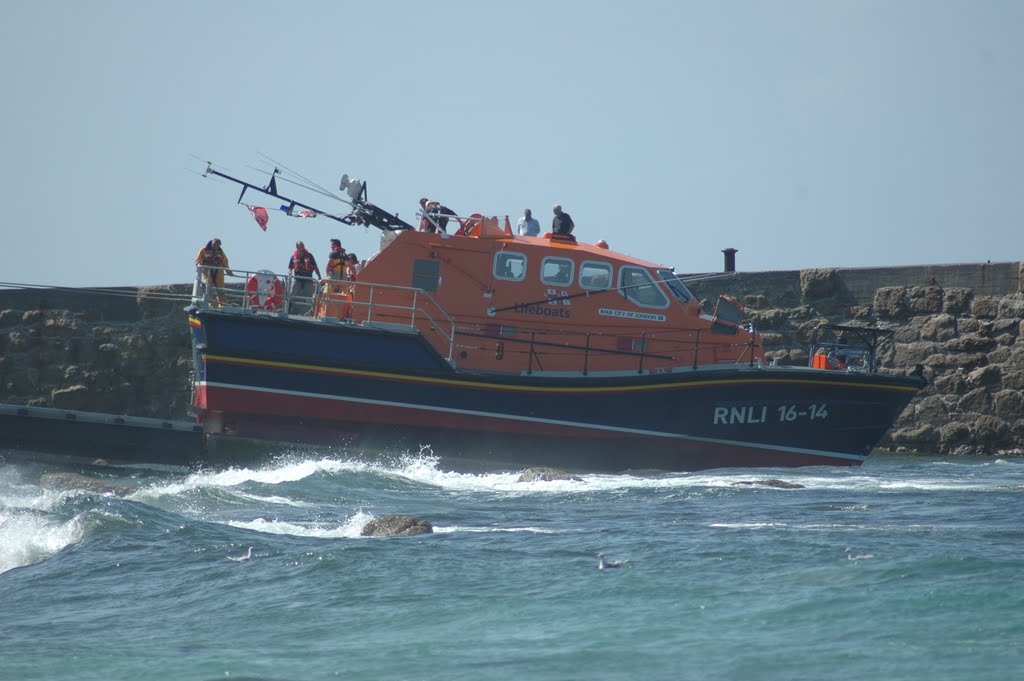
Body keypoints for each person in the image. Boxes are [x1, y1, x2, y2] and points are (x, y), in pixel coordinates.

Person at [194, 238, 232, 305]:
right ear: (212, 244)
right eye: (215, 245)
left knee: (220, 290)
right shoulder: (204, 250)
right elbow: (198, 260)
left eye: (218, 245)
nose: (216, 247)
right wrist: (199, 265)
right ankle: (212, 305)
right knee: (210, 289)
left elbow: (225, 261)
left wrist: (228, 270)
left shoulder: (220, 252)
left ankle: (222, 305)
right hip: (208, 272)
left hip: (219, 273)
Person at [287, 241, 321, 314]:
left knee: (309, 297)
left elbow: (315, 267)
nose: (302, 248)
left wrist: (319, 276)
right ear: (297, 247)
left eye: (302, 246)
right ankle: (288, 309)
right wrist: (290, 273)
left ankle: (310, 313)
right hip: (298, 279)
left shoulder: (310, 256)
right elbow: (290, 268)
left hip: (308, 279)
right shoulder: (293, 257)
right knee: (291, 294)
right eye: (300, 246)